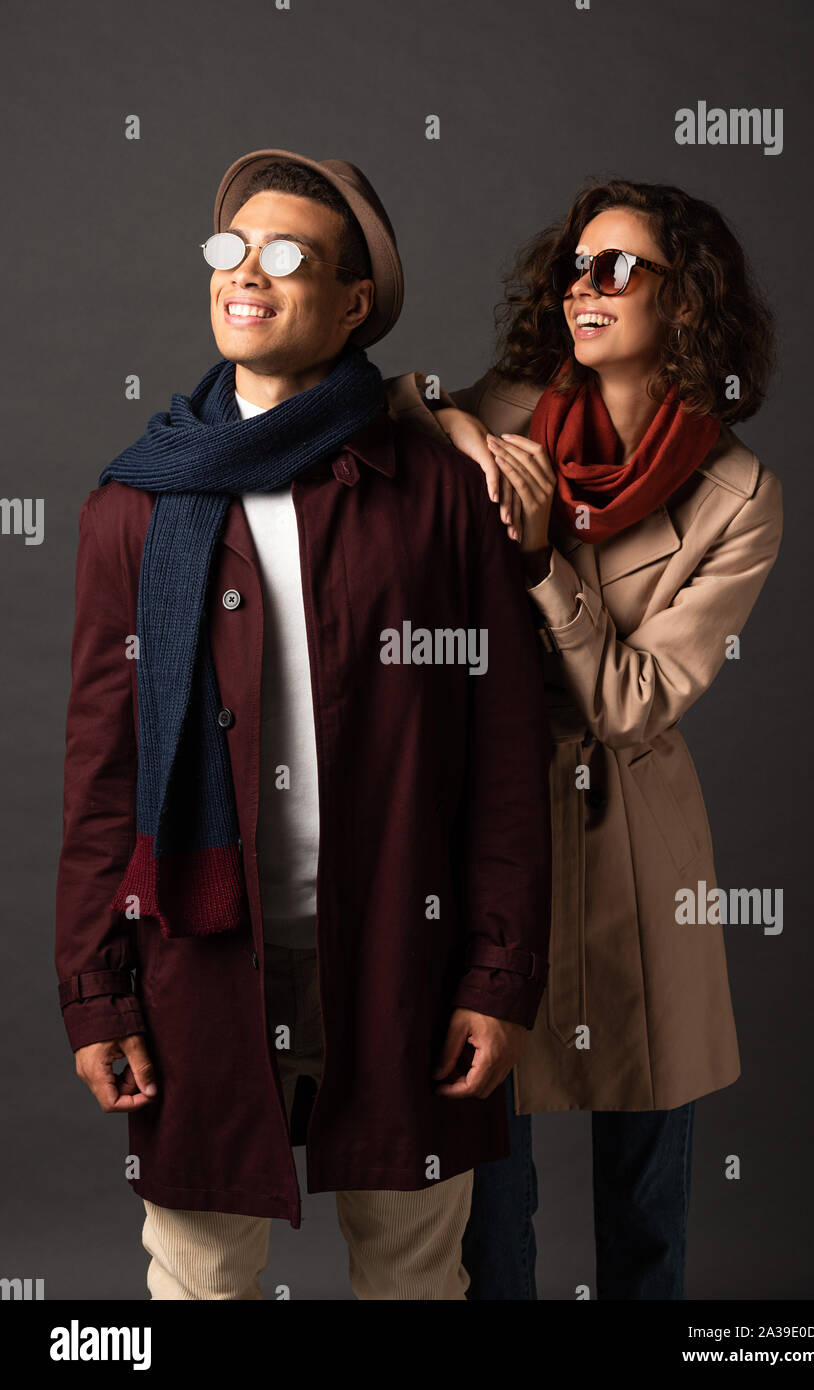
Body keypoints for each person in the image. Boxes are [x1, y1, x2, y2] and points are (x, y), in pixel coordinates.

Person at [54, 148, 552, 1301]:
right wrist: (99, 990)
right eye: (229, 250)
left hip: (402, 951)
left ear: (355, 299)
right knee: (198, 1272)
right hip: (198, 953)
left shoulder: (438, 493)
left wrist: (498, 970)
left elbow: (505, 762)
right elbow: (102, 774)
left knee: (415, 1269)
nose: (247, 274)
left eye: (286, 256)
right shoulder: (135, 505)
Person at [394, 178, 783, 1298]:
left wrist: (534, 563)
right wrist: (461, 421)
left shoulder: (738, 494)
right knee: (489, 1205)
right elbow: (395, 410)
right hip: (494, 835)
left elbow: (633, 702)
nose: (586, 287)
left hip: (637, 855)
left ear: (689, 302)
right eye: (578, 266)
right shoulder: (513, 412)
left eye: (620, 269)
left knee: (646, 1206)